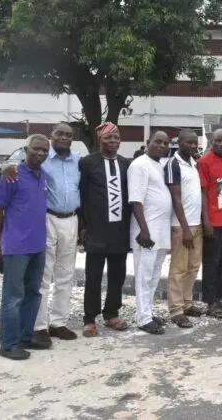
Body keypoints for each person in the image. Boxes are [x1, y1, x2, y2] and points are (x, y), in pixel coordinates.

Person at [3, 123, 82, 346]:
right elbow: (17, 166)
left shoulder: (77, 160)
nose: (65, 138)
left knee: (66, 274)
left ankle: (59, 322)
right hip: (46, 219)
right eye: (60, 134)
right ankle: (39, 326)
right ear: (51, 137)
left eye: (69, 135)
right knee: (43, 276)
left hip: (72, 220)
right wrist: (5, 167)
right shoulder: (42, 157)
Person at [0, 134, 51, 360]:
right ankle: (8, 344)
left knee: (33, 294)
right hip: (16, 247)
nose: (41, 153)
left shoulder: (42, 175)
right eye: (36, 149)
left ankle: (26, 336)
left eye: (45, 150)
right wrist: (1, 241)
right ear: (26, 150)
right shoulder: (12, 175)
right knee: (13, 296)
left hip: (38, 245)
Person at [79, 122, 131, 337]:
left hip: (120, 230)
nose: (113, 141)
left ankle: (111, 313)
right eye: (108, 137)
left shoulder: (126, 164)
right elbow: (80, 195)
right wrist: (83, 226)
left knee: (118, 275)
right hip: (96, 229)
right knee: (93, 276)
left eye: (116, 137)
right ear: (100, 139)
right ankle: (90, 318)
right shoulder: (87, 163)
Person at [128, 130, 173, 335]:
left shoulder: (160, 164)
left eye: (165, 143)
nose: (162, 146)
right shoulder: (139, 165)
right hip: (146, 232)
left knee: (154, 276)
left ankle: (148, 311)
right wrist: (144, 231)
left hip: (160, 230)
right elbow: (136, 200)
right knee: (144, 276)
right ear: (148, 142)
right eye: (158, 142)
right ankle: (142, 318)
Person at [163, 129, 204, 328]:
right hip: (181, 226)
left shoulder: (194, 163)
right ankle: (176, 310)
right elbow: (176, 199)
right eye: (189, 143)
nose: (193, 146)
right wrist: (185, 228)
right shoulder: (173, 164)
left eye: (195, 143)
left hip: (196, 224)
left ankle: (187, 303)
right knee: (179, 268)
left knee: (193, 267)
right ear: (179, 143)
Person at [198, 128, 222, 319]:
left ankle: (220, 298)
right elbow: (203, 193)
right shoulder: (203, 162)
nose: (221, 144)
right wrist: (206, 220)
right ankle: (210, 301)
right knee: (211, 262)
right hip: (213, 220)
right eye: (218, 141)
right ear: (211, 141)